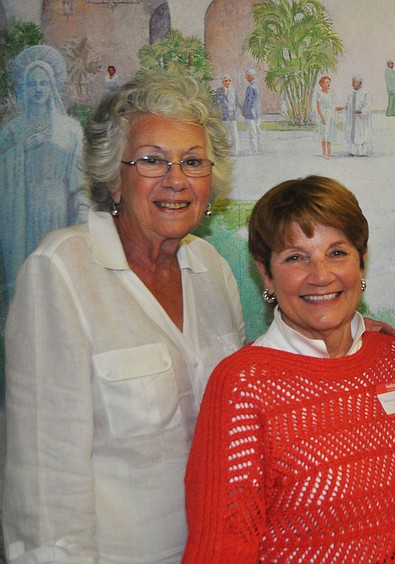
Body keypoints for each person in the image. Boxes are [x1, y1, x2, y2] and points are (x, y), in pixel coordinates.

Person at [3, 74, 245, 563]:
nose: (175, 179)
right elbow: (45, 479)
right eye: (152, 160)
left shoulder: (212, 271)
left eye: (193, 161)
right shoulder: (61, 273)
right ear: (113, 176)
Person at [183, 176, 395, 562]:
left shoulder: (393, 358)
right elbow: (220, 550)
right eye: (296, 257)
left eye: (337, 253)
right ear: (266, 273)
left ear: (362, 259)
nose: (321, 275)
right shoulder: (242, 385)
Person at [1, 45, 87, 293]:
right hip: (22, 212)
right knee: (27, 274)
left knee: (56, 275)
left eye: (44, 83)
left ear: (52, 87)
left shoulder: (70, 129)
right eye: (32, 84)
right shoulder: (13, 130)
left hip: (57, 209)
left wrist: (80, 212)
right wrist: (24, 148)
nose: (38, 89)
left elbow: (79, 175)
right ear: (24, 88)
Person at [339, 75, 373, 157]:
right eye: (352, 82)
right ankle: (352, 151)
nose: (352, 84)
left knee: (361, 135)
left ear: (359, 83)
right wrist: (343, 107)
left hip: (361, 119)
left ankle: (362, 152)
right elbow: (347, 104)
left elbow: (369, 106)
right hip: (351, 118)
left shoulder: (365, 93)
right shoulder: (350, 93)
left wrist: (361, 111)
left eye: (354, 82)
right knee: (351, 134)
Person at [214, 74, 240, 155]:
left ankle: (236, 151)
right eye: (226, 81)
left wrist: (238, 110)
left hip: (232, 115)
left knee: (234, 133)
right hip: (224, 116)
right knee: (226, 134)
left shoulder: (234, 89)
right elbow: (216, 103)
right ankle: (227, 151)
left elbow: (237, 101)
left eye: (229, 80)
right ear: (222, 82)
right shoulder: (219, 91)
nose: (228, 82)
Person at [314, 75, 337, 158]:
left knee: (330, 133)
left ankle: (329, 152)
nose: (328, 84)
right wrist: (322, 117)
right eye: (326, 82)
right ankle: (324, 153)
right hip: (324, 114)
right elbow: (318, 107)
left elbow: (332, 105)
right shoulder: (319, 93)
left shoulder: (331, 93)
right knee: (324, 133)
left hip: (331, 114)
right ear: (322, 83)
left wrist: (336, 109)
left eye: (329, 82)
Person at [242, 68, 262, 154]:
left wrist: (244, 111)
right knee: (258, 131)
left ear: (250, 76)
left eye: (247, 76)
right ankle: (260, 148)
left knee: (252, 133)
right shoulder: (257, 85)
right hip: (257, 112)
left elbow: (248, 101)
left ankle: (254, 150)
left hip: (250, 113)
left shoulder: (250, 87)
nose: (246, 78)